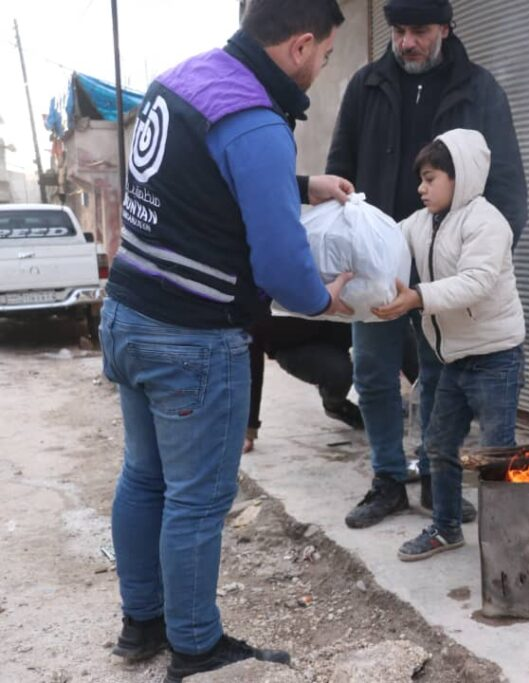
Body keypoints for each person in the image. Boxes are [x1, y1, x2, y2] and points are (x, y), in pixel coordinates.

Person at [98, 1, 353, 679]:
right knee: (197, 497)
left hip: (128, 313)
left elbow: (195, 182)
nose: (321, 71)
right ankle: (193, 645)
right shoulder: (257, 122)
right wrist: (326, 300)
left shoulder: (182, 80)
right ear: (301, 45)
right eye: (326, 57)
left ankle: (141, 623)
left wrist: (302, 184)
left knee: (144, 476)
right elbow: (279, 265)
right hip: (191, 337)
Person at [326, 0, 527, 529]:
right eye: (398, 31)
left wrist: (489, 256)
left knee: (442, 378)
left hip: (447, 267)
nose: (407, 42)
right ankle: (388, 479)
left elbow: (506, 181)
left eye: (418, 31)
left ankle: (437, 483)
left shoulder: (480, 90)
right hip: (377, 264)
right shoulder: (366, 86)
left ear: (445, 28)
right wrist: (340, 249)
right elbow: (338, 170)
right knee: (372, 370)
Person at [373, 130, 526, 560]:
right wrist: (351, 218)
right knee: (439, 446)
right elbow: (384, 238)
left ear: (462, 177)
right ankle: (445, 529)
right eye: (420, 180)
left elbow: (476, 282)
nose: (421, 188)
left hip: (497, 357)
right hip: (453, 359)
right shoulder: (421, 224)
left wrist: (417, 297)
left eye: (430, 178)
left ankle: (508, 543)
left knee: (496, 454)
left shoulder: (487, 222)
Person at [244, 316, 362, 454]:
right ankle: (335, 404)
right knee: (340, 372)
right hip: (293, 347)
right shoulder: (258, 306)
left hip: (337, 327)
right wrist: (249, 430)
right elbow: (251, 367)